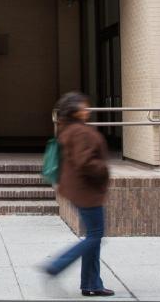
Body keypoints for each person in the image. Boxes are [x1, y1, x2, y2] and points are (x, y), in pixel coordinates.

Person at [43, 92, 114, 297]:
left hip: (78, 190)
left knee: (94, 236)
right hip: (87, 192)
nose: (87, 109)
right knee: (94, 236)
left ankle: (92, 283)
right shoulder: (80, 132)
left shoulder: (68, 130)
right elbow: (86, 163)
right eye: (84, 106)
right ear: (75, 110)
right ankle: (57, 265)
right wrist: (104, 170)